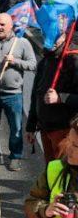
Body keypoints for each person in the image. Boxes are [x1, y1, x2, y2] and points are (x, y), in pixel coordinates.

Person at [0, 12, 35, 169]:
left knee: (15, 127)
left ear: (11, 26)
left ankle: (15, 156)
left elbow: (32, 64)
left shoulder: (22, 43)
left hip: (13, 94)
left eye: (3, 24)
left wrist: (15, 61)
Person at [26, 113, 78, 218]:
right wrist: (45, 210)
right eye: (69, 141)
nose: (68, 149)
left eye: (75, 145)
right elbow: (32, 202)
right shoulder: (56, 169)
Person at [27, 27, 78, 162]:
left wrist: (61, 97)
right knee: (51, 171)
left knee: (63, 174)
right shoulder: (45, 61)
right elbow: (35, 93)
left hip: (65, 131)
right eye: (49, 35)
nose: (52, 39)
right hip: (45, 128)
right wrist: (31, 125)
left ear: (65, 36)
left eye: (57, 35)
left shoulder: (74, 59)